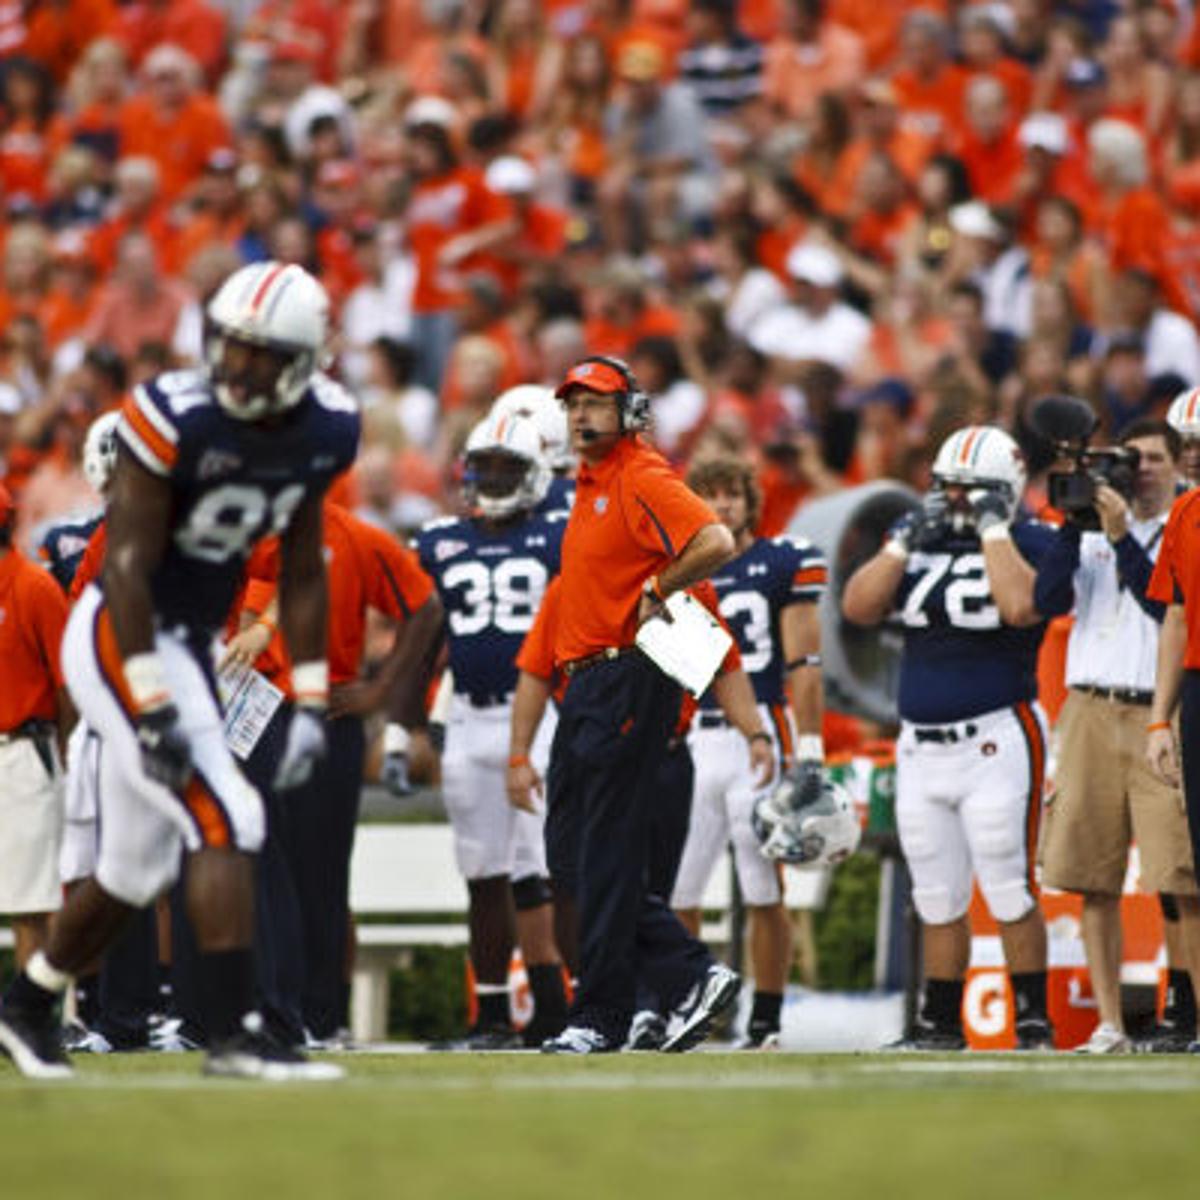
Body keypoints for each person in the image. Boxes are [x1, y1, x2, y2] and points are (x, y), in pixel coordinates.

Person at [0, 261, 359, 1081]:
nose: (235, 366)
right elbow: (123, 566)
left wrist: (306, 701)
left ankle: (25, 1004)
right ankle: (234, 1038)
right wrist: (154, 703)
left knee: (133, 870)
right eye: (227, 345)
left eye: (258, 353)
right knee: (229, 814)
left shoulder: (330, 425)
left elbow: (303, 563)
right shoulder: (173, 416)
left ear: (303, 361)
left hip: (189, 641)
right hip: (120, 632)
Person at [520, 355, 739, 1054]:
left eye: (598, 404)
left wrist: (660, 589)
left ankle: (606, 1012)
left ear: (631, 413)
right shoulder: (588, 484)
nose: (582, 416)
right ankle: (682, 977)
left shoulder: (641, 474)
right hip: (585, 683)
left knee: (604, 852)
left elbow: (715, 539)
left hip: (625, 671)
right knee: (573, 856)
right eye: (574, 404)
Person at [842, 425, 1055, 1051]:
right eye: (947, 489)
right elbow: (857, 606)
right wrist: (902, 542)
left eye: (972, 491)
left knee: (1008, 882)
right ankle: (938, 1023)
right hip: (921, 744)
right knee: (935, 893)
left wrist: (993, 529)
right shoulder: (918, 541)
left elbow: (1020, 607)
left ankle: (1033, 1021)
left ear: (1005, 491)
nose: (956, 502)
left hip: (996, 736)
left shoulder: (1030, 540)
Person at [216, 499, 442, 1048]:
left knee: (319, 875)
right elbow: (251, 616)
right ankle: (276, 1012)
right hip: (264, 713)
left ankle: (320, 1017)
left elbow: (426, 606)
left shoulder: (358, 538)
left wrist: (381, 689)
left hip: (327, 715)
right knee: (269, 869)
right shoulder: (258, 533)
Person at [507, 572, 766, 1051]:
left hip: (658, 752)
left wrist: (755, 732)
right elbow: (537, 668)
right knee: (579, 871)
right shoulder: (574, 582)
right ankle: (681, 980)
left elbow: (721, 666)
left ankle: (644, 1005)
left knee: (626, 882)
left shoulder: (673, 584)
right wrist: (520, 753)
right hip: (587, 739)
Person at [1036, 419, 1200, 1054]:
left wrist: (1121, 536)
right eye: (1132, 460)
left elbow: (1167, 611)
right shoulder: (1090, 527)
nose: (1143, 470)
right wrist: (1070, 529)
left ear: (1175, 463)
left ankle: (1189, 1016)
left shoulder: (1182, 524)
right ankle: (1110, 1023)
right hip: (1089, 704)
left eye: (1154, 458)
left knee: (1180, 876)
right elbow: (1048, 600)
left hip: (1161, 709)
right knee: (1092, 876)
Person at [410, 410, 570, 1050]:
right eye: (488, 468)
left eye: (511, 468)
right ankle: (495, 1018)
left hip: (536, 715)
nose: (497, 479)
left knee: (538, 867)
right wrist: (406, 725)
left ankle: (558, 1009)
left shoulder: (556, 535)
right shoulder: (440, 539)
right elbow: (416, 639)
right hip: (468, 717)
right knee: (482, 874)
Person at [671, 456, 827, 1050]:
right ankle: (692, 1002)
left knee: (764, 886)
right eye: (709, 494)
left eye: (732, 493)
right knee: (681, 890)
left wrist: (809, 749)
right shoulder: (681, 571)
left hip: (760, 730)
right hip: (697, 735)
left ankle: (766, 1017)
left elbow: (803, 664)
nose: (723, 504)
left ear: (750, 500)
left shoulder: (780, 560)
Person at [0, 482, 70, 971]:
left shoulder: (34, 585)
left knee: (31, 903)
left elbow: (68, 684)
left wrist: (68, 756)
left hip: (26, 753)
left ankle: (29, 1022)